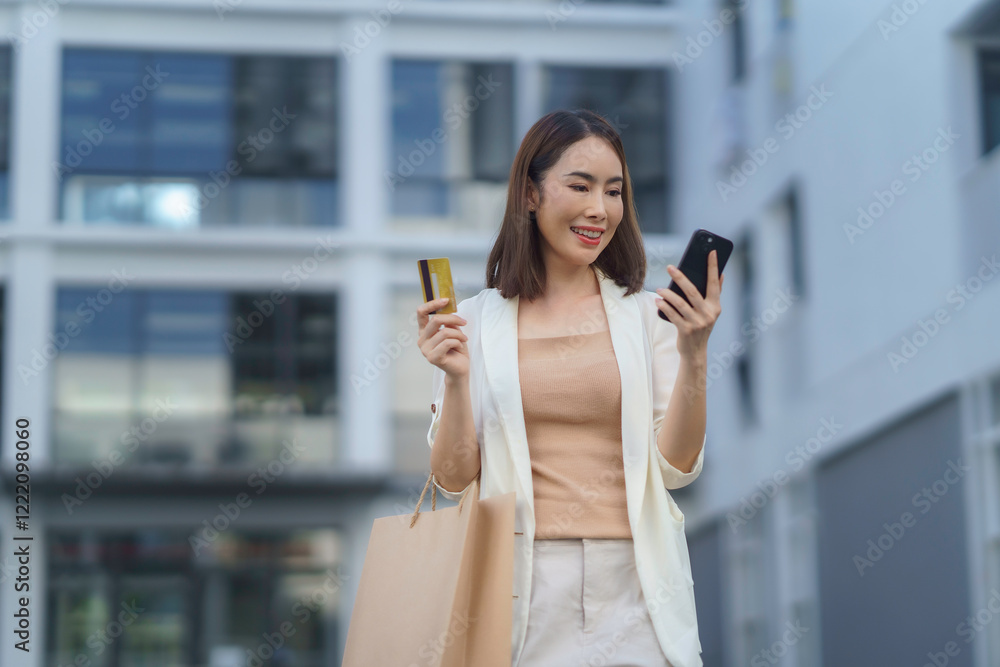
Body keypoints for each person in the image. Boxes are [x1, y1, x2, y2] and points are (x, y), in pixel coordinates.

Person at [416, 109, 723, 667]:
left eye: (613, 191)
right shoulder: (476, 321)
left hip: (638, 584)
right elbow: (453, 478)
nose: (598, 209)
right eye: (579, 186)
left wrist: (694, 353)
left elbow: (677, 468)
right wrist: (457, 383)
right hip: (519, 588)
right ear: (530, 196)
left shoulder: (649, 316)